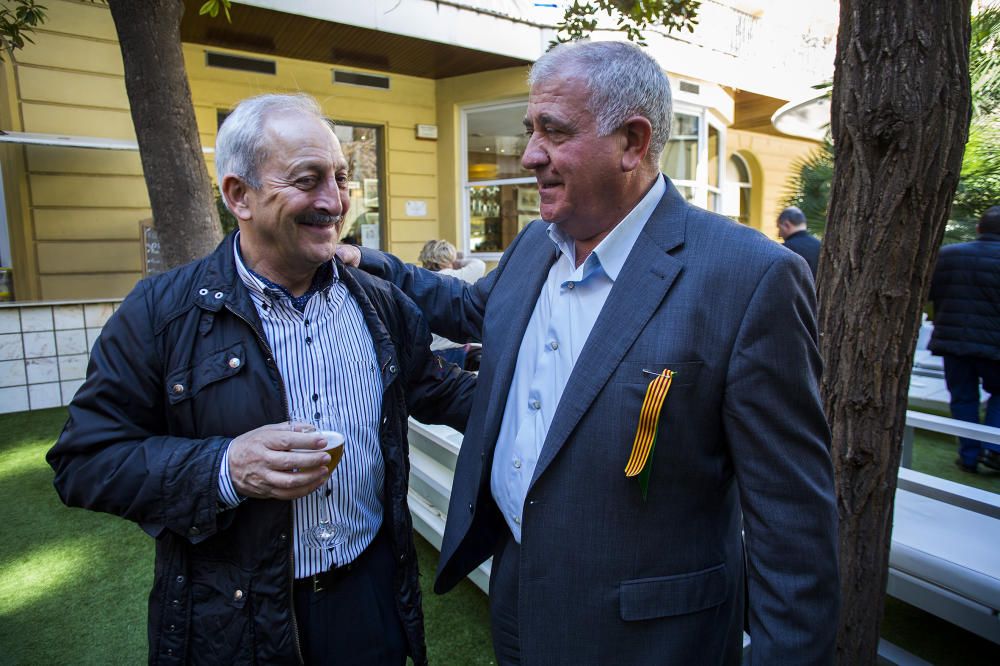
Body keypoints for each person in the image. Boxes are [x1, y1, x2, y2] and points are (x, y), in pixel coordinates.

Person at [340, 41, 838, 664]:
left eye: (553, 131)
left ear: (632, 142)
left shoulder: (748, 277)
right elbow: (472, 312)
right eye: (530, 130)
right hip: (518, 592)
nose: (528, 155)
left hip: (651, 635)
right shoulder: (535, 245)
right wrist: (367, 263)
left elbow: (792, 523)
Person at [46, 93, 475, 665]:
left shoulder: (380, 302)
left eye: (342, 179)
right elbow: (84, 461)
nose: (334, 201)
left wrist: (569, 404)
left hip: (369, 600)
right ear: (238, 196)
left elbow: (442, 389)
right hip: (234, 619)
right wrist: (224, 468)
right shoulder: (161, 313)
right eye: (308, 179)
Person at [928, 205, 1000, 473]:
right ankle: (994, 449)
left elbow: (931, 296)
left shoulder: (949, 256)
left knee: (962, 398)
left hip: (953, 341)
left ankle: (969, 455)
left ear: (979, 228)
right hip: (994, 345)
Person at [418, 239, 486, 369]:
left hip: (428, 348)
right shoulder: (454, 276)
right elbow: (479, 265)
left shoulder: (421, 277)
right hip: (451, 348)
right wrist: (458, 261)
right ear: (448, 258)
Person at [777, 205, 821, 278]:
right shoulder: (819, 245)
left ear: (786, 224)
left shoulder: (785, 249)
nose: (779, 234)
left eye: (779, 228)